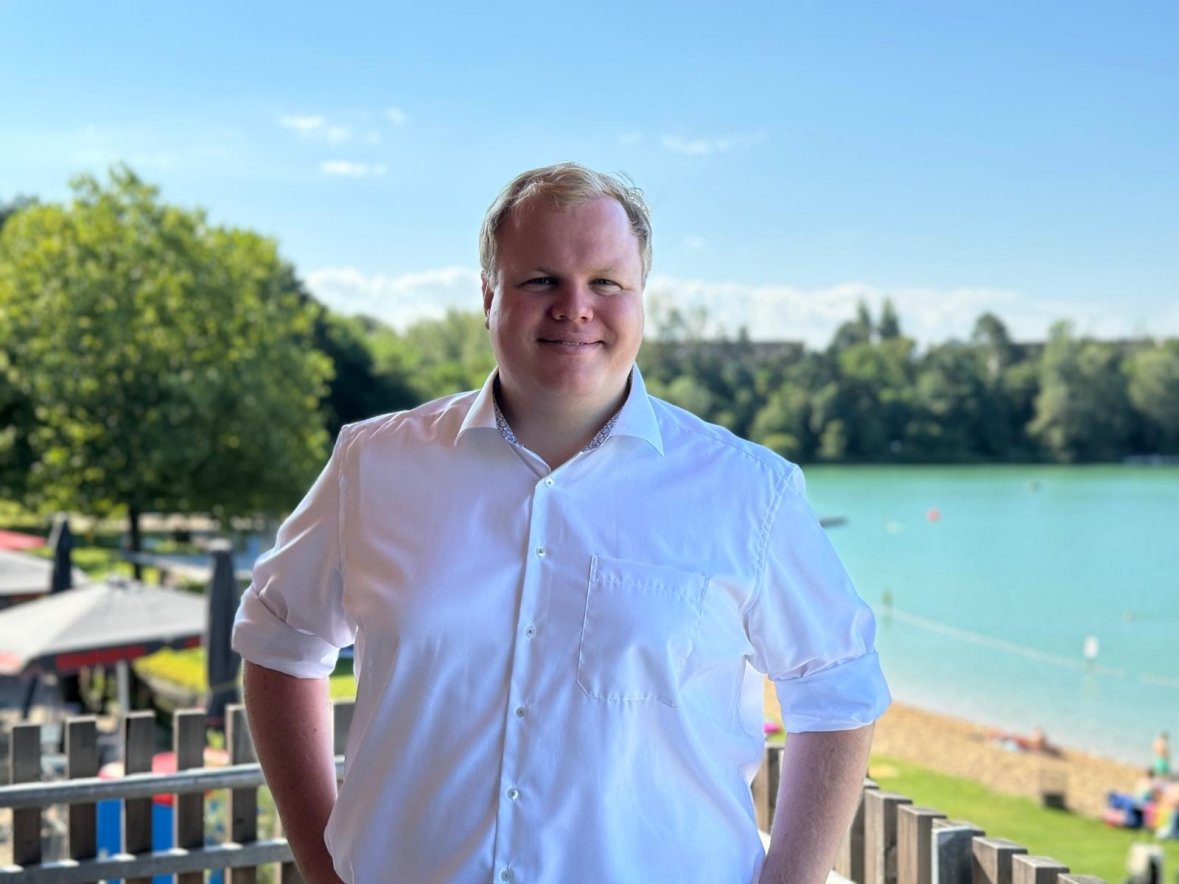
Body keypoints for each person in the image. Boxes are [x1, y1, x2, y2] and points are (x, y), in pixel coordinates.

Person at [232, 162, 890, 884]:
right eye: (541, 279)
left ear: (641, 299)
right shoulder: (373, 465)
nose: (575, 307)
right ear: (490, 296)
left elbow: (837, 690)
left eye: (606, 282)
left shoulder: (748, 491)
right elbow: (277, 643)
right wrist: (323, 866)